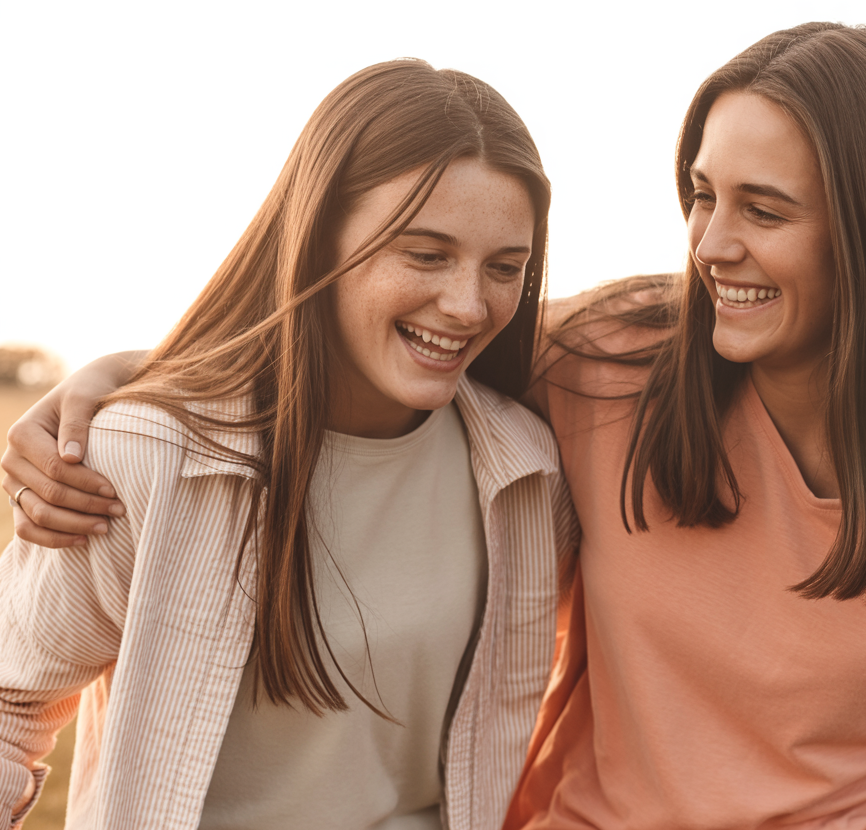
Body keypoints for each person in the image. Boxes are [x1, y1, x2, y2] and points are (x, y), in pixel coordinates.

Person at [7, 23, 866, 828]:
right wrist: (129, 383)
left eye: (764, 209)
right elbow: (367, 338)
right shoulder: (612, 369)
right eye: (700, 196)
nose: (710, 245)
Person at [0, 60, 577, 829]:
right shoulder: (147, 454)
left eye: (505, 268)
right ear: (317, 237)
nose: (469, 305)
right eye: (425, 254)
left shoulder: (528, 475)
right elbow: (11, 711)